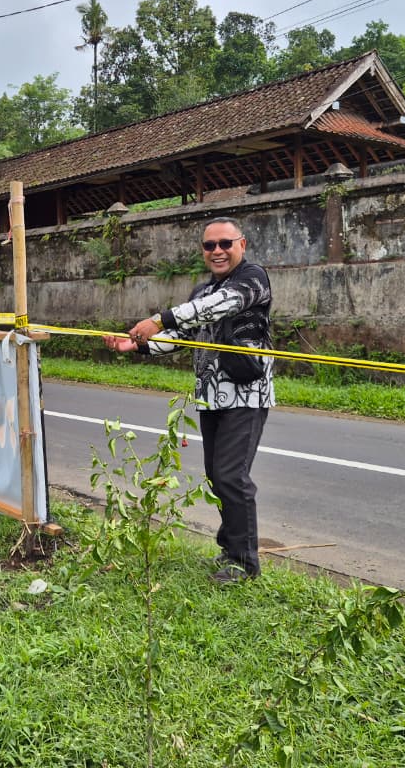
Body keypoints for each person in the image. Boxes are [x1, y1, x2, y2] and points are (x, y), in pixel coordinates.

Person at [104, 217, 274, 583]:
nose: (217, 251)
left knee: (231, 476)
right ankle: (230, 550)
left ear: (242, 245)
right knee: (217, 476)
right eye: (210, 246)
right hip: (210, 396)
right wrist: (138, 345)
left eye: (225, 243)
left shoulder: (252, 278)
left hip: (246, 394)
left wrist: (159, 319)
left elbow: (218, 307)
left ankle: (244, 563)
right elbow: (182, 335)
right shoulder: (201, 291)